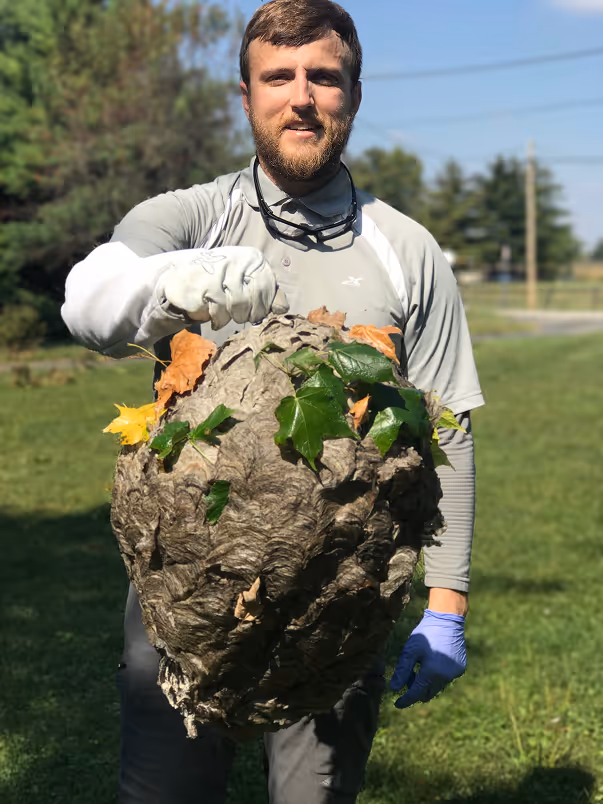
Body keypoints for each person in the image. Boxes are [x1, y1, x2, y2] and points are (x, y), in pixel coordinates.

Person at [61, 1, 484, 801]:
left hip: (343, 607)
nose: (301, 97)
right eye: (277, 77)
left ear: (352, 96)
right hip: (181, 609)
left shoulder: (405, 251)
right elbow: (89, 302)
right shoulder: (190, 217)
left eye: (323, 77)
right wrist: (173, 281)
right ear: (246, 95)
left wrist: (446, 606)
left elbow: (448, 428)